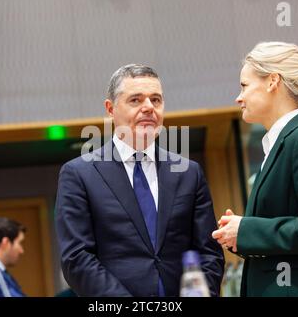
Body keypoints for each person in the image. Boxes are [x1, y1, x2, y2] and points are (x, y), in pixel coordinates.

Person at [56, 64, 224, 297]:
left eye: (156, 100)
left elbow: (209, 252)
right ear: (110, 108)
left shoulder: (188, 172)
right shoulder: (79, 174)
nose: (148, 107)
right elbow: (77, 258)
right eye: (136, 100)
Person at [212, 42, 298, 296]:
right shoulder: (282, 143)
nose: (238, 97)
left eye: (244, 86)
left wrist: (248, 229)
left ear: (273, 81)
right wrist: (239, 234)